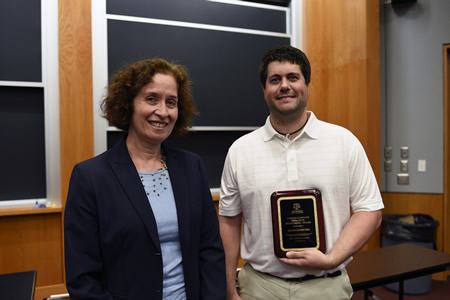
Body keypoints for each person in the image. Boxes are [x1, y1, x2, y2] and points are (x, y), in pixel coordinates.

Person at [219, 45, 384, 300]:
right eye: (275, 80)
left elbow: (369, 210)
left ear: (306, 84)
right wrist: (230, 289)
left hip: (326, 286)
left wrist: (331, 259)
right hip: (259, 287)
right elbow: (229, 221)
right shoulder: (240, 151)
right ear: (264, 90)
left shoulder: (343, 141)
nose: (284, 86)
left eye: (293, 77)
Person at [64, 58, 226, 300]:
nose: (162, 111)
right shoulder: (90, 177)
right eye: (151, 99)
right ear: (128, 104)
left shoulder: (191, 167)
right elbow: (83, 277)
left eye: (171, 102)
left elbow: (210, 249)